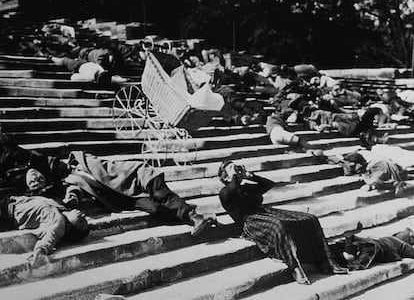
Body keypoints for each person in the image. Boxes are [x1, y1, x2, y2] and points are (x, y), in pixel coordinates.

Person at [0, 132, 214, 237]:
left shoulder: (85, 162)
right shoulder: (68, 181)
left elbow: (31, 156)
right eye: (35, 181)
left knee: (160, 196)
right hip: (124, 196)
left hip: (140, 177)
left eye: (37, 175)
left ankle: (195, 217)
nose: (36, 177)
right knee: (155, 208)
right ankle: (195, 217)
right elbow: (70, 189)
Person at [217, 161, 348, 285]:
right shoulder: (224, 193)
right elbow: (232, 189)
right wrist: (233, 173)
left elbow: (268, 184)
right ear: (226, 178)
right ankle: (294, 267)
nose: (237, 174)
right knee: (279, 226)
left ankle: (326, 260)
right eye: (233, 173)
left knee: (310, 218)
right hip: (250, 221)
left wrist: (250, 176)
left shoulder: (245, 188)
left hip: (264, 213)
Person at [0, 194, 90, 267]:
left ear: (70, 227)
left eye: (81, 222)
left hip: (5, 214)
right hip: (9, 201)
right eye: (85, 219)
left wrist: (40, 251)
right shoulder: (61, 207)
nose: (82, 216)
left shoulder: (58, 222)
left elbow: (50, 238)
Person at [340, 228, 414, 270]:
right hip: (385, 241)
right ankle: (407, 234)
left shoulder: (368, 247)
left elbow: (361, 264)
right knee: (399, 238)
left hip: (393, 247)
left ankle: (409, 234)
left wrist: (347, 264)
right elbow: (348, 239)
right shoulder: (352, 243)